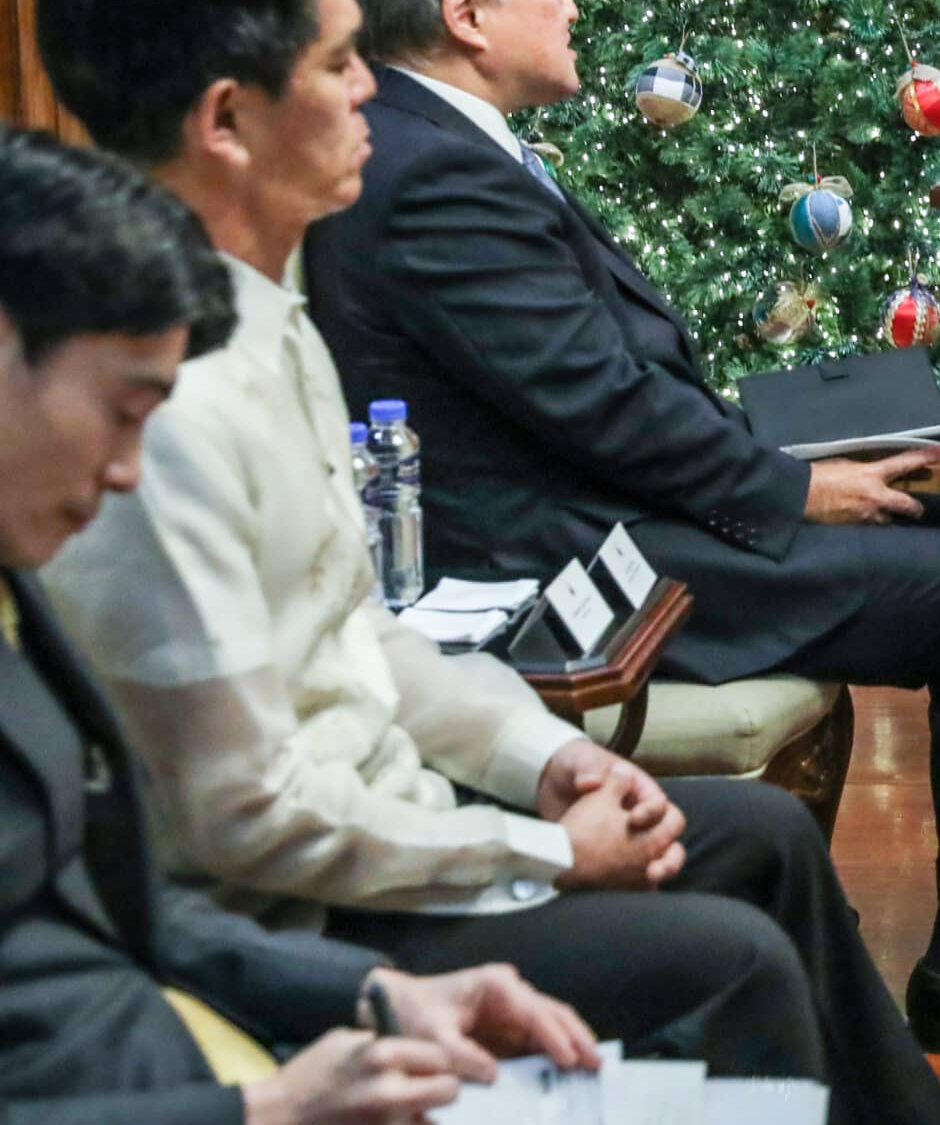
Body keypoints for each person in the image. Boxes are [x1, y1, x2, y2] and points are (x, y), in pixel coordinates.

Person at [33, 0, 940, 1122]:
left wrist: (553, 759)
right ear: (225, 120)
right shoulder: (168, 405)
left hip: (399, 833)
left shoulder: (262, 312)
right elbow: (239, 819)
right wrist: (536, 850)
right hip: (321, 918)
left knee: (765, 836)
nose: (372, 89)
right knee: (730, 954)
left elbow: (363, 637)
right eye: (338, 64)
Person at [299, 0, 940, 1054]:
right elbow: (599, 406)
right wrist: (792, 486)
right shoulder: (432, 171)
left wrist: (802, 450)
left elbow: (595, 387)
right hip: (576, 560)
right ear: (467, 10)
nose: (576, 8)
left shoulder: (453, 145)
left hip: (615, 500)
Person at [0, 123, 606, 1124]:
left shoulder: (23, 563)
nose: (125, 472)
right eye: (120, 410)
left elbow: (123, 911)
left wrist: (374, 995)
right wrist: (266, 1110)